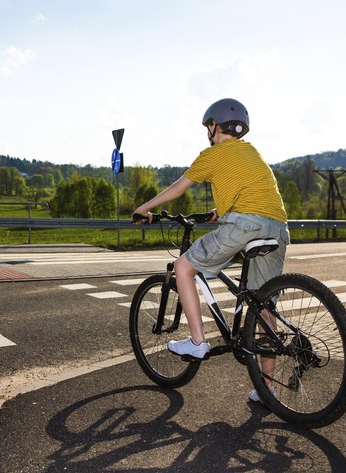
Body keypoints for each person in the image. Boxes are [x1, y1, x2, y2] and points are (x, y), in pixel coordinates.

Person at [132, 98, 290, 402]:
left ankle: (197, 341)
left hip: (245, 224)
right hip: (278, 227)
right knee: (264, 307)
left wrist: (145, 207)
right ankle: (267, 389)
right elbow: (251, 189)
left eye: (209, 126)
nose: (209, 130)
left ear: (215, 126)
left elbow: (179, 187)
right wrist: (222, 209)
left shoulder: (213, 154)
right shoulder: (251, 151)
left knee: (183, 268)